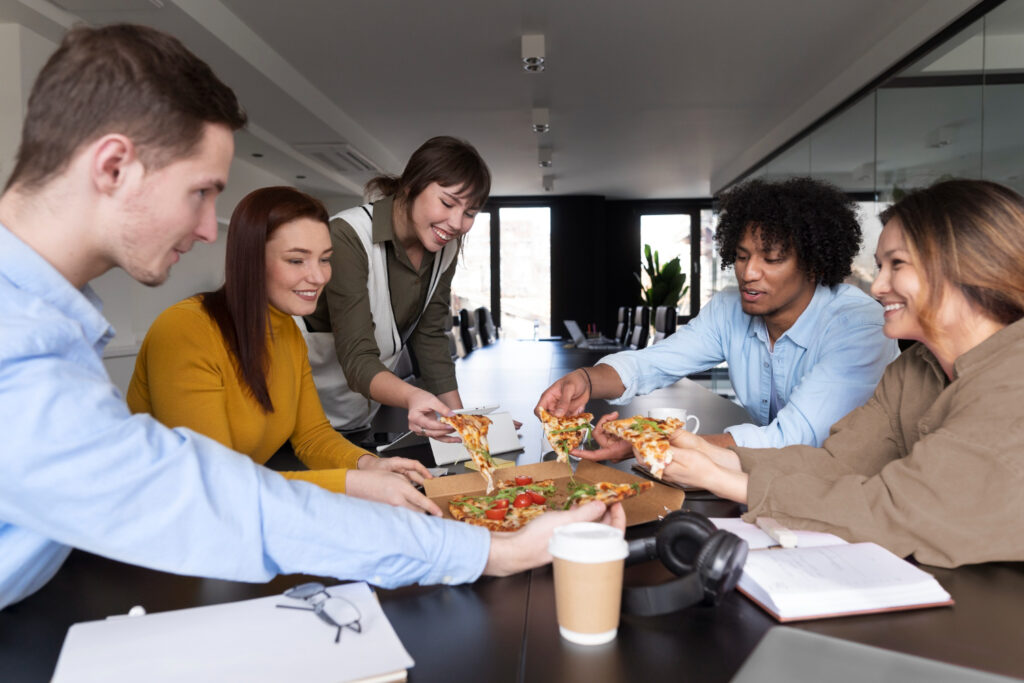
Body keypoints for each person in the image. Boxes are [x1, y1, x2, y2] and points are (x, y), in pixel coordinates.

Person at [0, 23, 621, 612]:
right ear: (112, 166)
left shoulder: (48, 321)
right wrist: (492, 551)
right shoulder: (18, 341)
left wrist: (374, 474)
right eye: (200, 192)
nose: (203, 227)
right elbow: (210, 496)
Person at [644, 179, 1024, 568]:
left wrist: (730, 481)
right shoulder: (913, 368)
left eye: (897, 265)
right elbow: (839, 461)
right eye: (880, 266)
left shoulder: (1013, 380)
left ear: (967, 269)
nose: (877, 286)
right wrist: (714, 458)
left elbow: (903, 511)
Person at [126, 186, 440, 515]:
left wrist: (367, 465)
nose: (319, 276)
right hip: (157, 525)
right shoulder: (186, 330)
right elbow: (215, 481)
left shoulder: (287, 331)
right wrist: (351, 484)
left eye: (325, 259)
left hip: (232, 515)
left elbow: (312, 435)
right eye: (296, 260)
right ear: (250, 260)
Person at [538, 177, 898, 453]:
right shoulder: (730, 309)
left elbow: (795, 438)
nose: (749, 272)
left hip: (857, 494)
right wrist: (584, 380)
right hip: (777, 483)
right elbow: (653, 363)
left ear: (816, 264)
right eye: (742, 256)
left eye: (771, 259)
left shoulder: (859, 325)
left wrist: (651, 446)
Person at [301, 136, 489, 440]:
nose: (457, 222)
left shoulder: (445, 248)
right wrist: (413, 396)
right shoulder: (347, 237)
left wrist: (464, 426)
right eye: (447, 202)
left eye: (470, 212)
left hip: (358, 420)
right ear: (411, 185)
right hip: (301, 420)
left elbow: (429, 337)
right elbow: (357, 355)